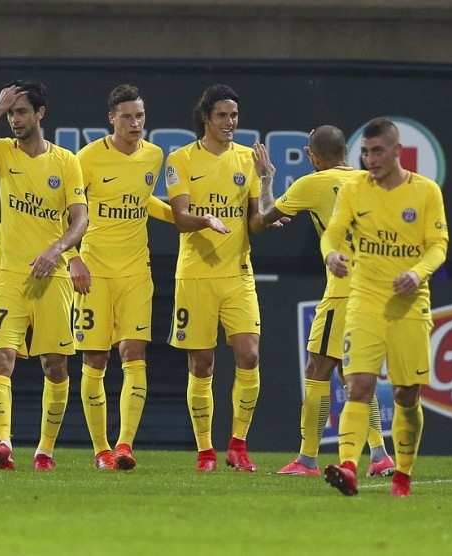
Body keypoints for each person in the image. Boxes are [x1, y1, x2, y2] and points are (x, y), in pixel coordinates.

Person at [0, 80, 88, 471]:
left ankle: (45, 451)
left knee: (56, 365)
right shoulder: (0, 153)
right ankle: (3, 444)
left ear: (40, 114)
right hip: (4, 274)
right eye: (12, 114)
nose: (15, 120)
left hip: (53, 277)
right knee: (0, 359)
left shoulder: (66, 161)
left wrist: (57, 250)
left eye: (21, 112)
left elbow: (80, 219)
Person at [258, 125, 396, 477]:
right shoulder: (370, 180)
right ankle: (380, 456)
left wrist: (266, 178)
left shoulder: (312, 183)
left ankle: (307, 460)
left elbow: (264, 217)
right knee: (353, 373)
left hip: (343, 291)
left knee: (316, 371)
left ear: (312, 156)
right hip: (375, 288)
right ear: (348, 152)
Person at [321, 117, 448, 497]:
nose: (370, 159)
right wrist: (330, 255)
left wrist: (417, 272)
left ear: (397, 151)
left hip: (408, 304)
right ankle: (347, 467)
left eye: (377, 151)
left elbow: (438, 245)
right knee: (357, 385)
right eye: (365, 152)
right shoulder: (355, 189)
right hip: (364, 299)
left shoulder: (425, 193)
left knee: (407, 394)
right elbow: (332, 233)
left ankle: (403, 476)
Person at [165, 84, 285, 473]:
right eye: (222, 116)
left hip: (238, 273)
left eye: (234, 115)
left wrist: (267, 185)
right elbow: (180, 217)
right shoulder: (180, 159)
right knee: (201, 364)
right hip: (196, 275)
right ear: (206, 118)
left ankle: (238, 445)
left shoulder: (248, 159)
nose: (230, 122)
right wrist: (205, 219)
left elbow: (256, 220)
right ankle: (205, 451)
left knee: (249, 354)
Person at [74, 84, 172, 470]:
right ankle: (101, 450)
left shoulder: (154, 155)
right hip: (94, 271)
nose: (136, 123)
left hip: (136, 271)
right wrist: (72, 258)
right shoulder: (86, 159)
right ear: (112, 118)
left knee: (133, 353)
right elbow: (66, 209)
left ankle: (125, 445)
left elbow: (143, 199)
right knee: (95, 358)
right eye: (128, 116)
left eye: (141, 116)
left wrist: (185, 218)